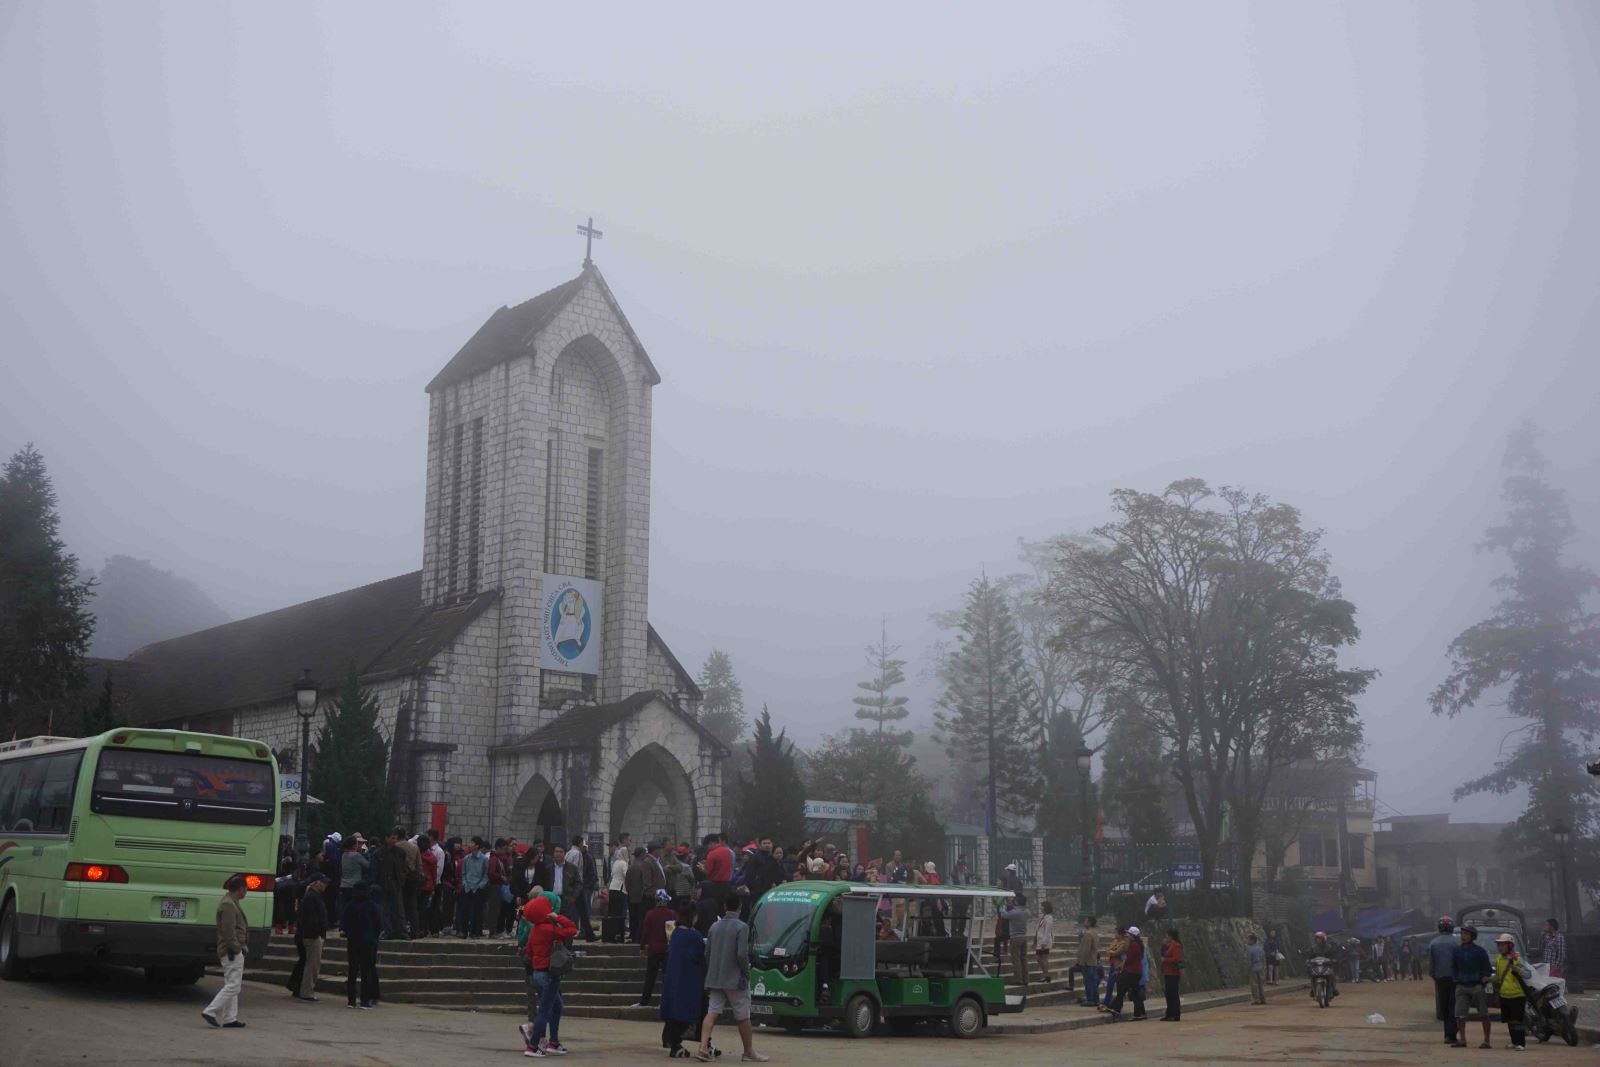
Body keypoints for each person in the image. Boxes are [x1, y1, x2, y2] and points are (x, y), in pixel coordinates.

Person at [697, 894, 768, 1063]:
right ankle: (748, 1051)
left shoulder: (714, 927)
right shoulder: (742, 927)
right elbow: (742, 954)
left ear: (724, 907)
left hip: (715, 977)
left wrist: (713, 969)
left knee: (712, 1012)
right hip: (735, 978)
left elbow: (707, 953)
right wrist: (746, 972)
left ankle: (702, 1047)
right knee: (743, 1015)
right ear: (739, 907)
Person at [520, 894, 579, 1057]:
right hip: (549, 975)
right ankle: (533, 1046)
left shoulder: (535, 930)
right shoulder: (550, 929)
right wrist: (558, 917)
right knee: (544, 1011)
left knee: (557, 1006)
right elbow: (573, 929)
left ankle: (554, 1042)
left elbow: (529, 952)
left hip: (537, 974)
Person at [201, 874, 251, 1028]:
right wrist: (237, 948)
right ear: (241, 889)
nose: (246, 892)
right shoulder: (229, 904)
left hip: (230, 950)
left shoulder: (229, 902)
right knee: (234, 985)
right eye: (246, 889)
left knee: (231, 983)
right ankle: (211, 1010)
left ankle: (230, 1018)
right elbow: (228, 931)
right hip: (231, 951)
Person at [661, 902, 707, 1058]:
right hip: (690, 981)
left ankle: (674, 1042)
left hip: (674, 979)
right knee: (692, 1013)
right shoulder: (694, 936)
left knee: (674, 1015)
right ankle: (700, 1042)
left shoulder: (675, 934)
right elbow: (701, 958)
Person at [339, 881, 384, 1009]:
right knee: (367, 971)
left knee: (352, 971)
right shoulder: (371, 905)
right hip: (368, 942)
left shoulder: (350, 905)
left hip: (353, 941)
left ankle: (351, 1000)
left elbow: (344, 924)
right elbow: (378, 924)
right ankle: (365, 1000)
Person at [286, 873, 330, 1001]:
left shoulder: (311, 896)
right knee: (312, 965)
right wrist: (318, 932)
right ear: (317, 883)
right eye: (323, 882)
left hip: (309, 934)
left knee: (307, 963)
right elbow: (312, 919)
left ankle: (299, 988)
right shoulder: (312, 897)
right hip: (312, 935)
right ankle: (306, 992)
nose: (326, 885)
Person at [1452, 925, 1494, 1049]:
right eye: (1462, 934)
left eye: (1466, 934)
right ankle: (1462, 1039)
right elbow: (1454, 968)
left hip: (1477, 987)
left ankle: (1486, 1041)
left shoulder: (1480, 952)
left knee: (1483, 1014)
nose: (1463, 936)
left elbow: (1487, 970)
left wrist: (1484, 979)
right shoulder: (1457, 951)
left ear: (1472, 936)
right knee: (1460, 1014)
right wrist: (1457, 980)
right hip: (1461, 986)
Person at [633, 889, 675, 1007]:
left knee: (650, 977)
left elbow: (645, 932)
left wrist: (642, 947)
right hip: (667, 949)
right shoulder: (672, 913)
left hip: (654, 950)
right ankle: (667, 1002)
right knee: (667, 978)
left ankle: (644, 1001)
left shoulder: (650, 914)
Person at [1492, 932, 1532, 1051]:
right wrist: (1489, 979)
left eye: (1503, 944)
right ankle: (1514, 1042)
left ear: (1510, 945)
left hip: (1517, 995)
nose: (1500, 947)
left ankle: (1521, 1043)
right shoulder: (1498, 960)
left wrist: (1517, 969)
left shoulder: (1517, 958)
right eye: (1499, 945)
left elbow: (1528, 974)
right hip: (1505, 995)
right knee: (1509, 1021)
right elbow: (1498, 977)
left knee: (1517, 1020)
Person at [1427, 916, 1458, 1045]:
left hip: (1440, 979)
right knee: (1453, 1006)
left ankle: (1447, 1034)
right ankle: (1452, 1034)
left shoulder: (1433, 943)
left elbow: (1431, 966)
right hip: (1455, 979)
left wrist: (1435, 976)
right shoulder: (1457, 942)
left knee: (1444, 1006)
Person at [1107, 924, 1147, 1021]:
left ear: (1132, 936)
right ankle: (1140, 1013)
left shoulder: (1133, 946)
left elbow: (1129, 959)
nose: (1127, 936)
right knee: (1135, 993)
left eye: (1128, 934)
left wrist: (1122, 966)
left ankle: (1116, 1010)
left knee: (1121, 990)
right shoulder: (1138, 945)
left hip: (1130, 971)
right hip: (1136, 972)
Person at [374, 829, 408, 940]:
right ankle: (387, 931)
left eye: (395, 838)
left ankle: (401, 931)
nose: (394, 840)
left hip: (396, 884)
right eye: (392, 838)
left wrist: (401, 879)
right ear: (386, 838)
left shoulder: (400, 852)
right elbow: (375, 870)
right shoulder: (379, 853)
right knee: (385, 909)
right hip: (383, 884)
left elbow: (403, 868)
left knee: (399, 909)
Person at [461, 836, 490, 938]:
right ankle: (463, 931)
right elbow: (463, 873)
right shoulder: (466, 858)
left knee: (477, 911)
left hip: (478, 888)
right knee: (465, 910)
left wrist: (480, 886)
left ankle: (475, 932)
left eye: (472, 842)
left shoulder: (484, 859)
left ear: (477, 845)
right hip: (467, 887)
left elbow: (486, 875)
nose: (470, 844)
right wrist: (465, 883)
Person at [573, 835, 599, 941]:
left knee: (584, 910)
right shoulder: (580, 855)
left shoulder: (586, 856)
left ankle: (584, 931)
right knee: (520, 910)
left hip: (585, 887)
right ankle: (584, 931)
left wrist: (587, 885)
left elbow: (589, 872)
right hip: (583, 886)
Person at [1000, 893, 1029, 987]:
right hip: (1024, 937)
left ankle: (1018, 979)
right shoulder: (1027, 912)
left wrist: (1004, 906)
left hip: (1015, 938)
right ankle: (1026, 978)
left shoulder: (1014, 912)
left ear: (1017, 902)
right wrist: (1012, 905)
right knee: (1024, 959)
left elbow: (1004, 915)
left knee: (1016, 959)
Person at [1071, 915, 1101, 1006]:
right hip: (1093, 961)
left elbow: (1085, 950)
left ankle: (1090, 1000)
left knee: (1088, 982)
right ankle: (1096, 1000)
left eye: (1086, 921)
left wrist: (1081, 961)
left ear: (1090, 922)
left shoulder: (1088, 934)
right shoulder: (1095, 933)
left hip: (1087, 962)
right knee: (1093, 981)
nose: (1084, 922)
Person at [1098, 925, 1127, 1012]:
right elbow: (1109, 950)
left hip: (1118, 966)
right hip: (1112, 965)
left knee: (1118, 986)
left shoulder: (1124, 943)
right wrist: (1113, 951)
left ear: (1121, 934)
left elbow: (1117, 952)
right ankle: (1106, 1003)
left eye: (1116, 933)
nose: (1115, 934)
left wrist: (1113, 951)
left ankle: (1118, 1004)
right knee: (1109, 985)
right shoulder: (1115, 941)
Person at [1306, 930, 1340, 1000]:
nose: (1318, 940)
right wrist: (1308, 960)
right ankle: (1313, 989)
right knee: (1312, 976)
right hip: (1316, 966)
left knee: (1332, 976)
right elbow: (1309, 955)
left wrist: (1334, 959)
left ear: (1324, 939)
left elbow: (1334, 955)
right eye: (1317, 938)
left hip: (1327, 966)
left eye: (1320, 938)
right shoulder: (1313, 948)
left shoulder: (1329, 947)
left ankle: (1333, 989)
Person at [607, 841, 630, 942]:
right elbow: (626, 876)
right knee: (620, 913)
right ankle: (619, 933)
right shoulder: (624, 863)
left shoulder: (615, 862)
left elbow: (612, 874)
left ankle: (611, 933)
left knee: (612, 912)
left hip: (612, 888)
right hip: (620, 889)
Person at [1158, 927, 1183, 1021]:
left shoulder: (1177, 946)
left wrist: (1166, 960)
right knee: (1168, 993)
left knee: (1173, 994)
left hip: (1174, 973)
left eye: (1167, 935)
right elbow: (1163, 953)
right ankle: (1169, 1014)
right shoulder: (1169, 945)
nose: (1166, 937)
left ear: (1171, 936)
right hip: (1168, 972)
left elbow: (1176, 959)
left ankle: (1175, 1014)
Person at [626, 846, 648, 943]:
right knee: (640, 917)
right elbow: (645, 882)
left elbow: (627, 882)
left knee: (632, 917)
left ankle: (633, 935)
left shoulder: (630, 866)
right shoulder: (643, 866)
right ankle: (639, 936)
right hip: (641, 896)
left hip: (631, 896)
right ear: (642, 854)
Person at [1034, 901, 1055, 984]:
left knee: (1043, 958)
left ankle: (1046, 975)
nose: (1041, 908)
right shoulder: (1043, 917)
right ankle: (1046, 975)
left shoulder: (1049, 918)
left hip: (1044, 942)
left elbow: (1047, 931)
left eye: (1042, 906)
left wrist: (1044, 942)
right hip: (1040, 941)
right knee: (1039, 958)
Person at [1246, 932, 1266, 1005]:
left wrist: (1248, 969)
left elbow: (1249, 961)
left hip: (1253, 969)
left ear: (1252, 941)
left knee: (1254, 985)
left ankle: (1256, 999)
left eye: (1248, 939)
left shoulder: (1250, 950)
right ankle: (1263, 999)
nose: (1247, 941)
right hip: (1261, 968)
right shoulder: (1260, 949)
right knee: (1261, 984)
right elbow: (1264, 958)